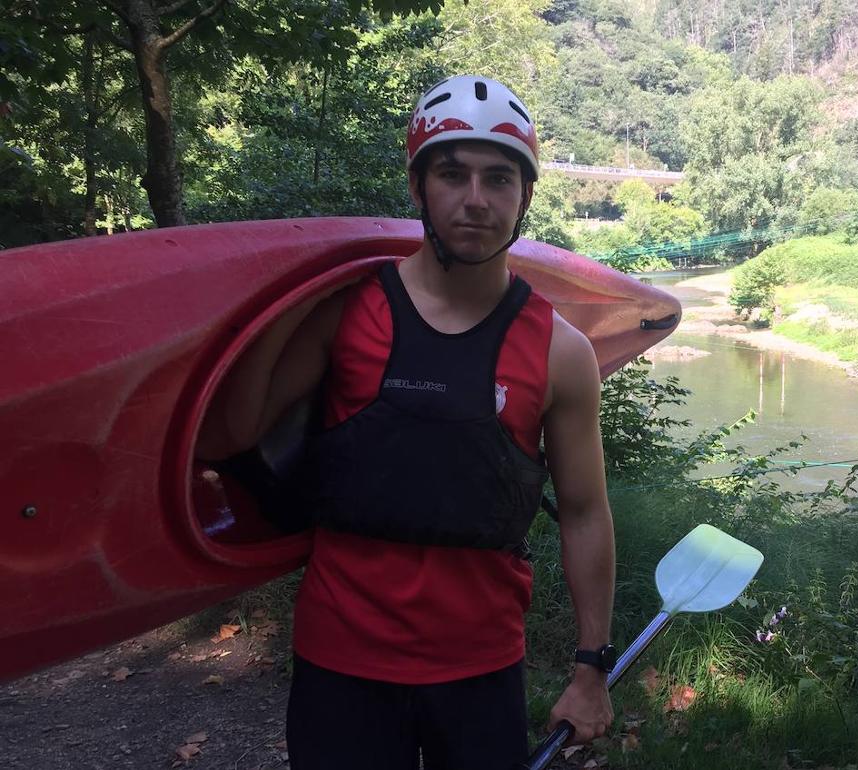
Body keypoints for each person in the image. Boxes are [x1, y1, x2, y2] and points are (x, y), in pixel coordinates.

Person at [195, 75, 616, 769]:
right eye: (452, 175)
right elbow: (227, 438)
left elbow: (584, 512)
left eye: (499, 178)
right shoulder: (347, 310)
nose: (475, 200)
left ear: (526, 196)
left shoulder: (561, 352)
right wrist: (282, 296)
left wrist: (590, 667)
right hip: (342, 662)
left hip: (480, 669)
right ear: (419, 187)